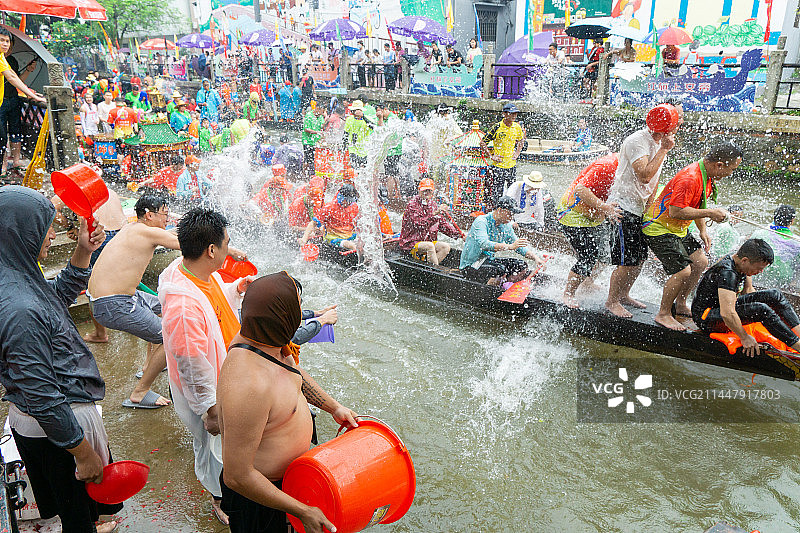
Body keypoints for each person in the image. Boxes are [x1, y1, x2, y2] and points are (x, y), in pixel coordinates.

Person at [0, 186, 120, 533]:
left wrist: (84, 251)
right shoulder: (20, 308)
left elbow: (55, 298)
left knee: (75, 505)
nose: (52, 234)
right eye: (45, 226)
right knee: (77, 513)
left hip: (55, 424)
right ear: (21, 232)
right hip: (58, 428)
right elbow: (41, 395)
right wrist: (81, 451)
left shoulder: (17, 275)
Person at [217, 272, 358, 533]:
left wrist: (333, 407)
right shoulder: (248, 384)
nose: (301, 313)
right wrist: (301, 510)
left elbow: (292, 373)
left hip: (293, 482)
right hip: (262, 499)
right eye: (298, 308)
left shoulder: (268, 341)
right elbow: (237, 476)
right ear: (283, 320)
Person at [159, 208, 253, 526]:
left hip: (225, 374)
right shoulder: (183, 308)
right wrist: (209, 409)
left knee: (225, 445)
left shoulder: (196, 273)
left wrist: (236, 289)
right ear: (212, 250)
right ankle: (218, 498)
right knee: (211, 447)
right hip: (209, 393)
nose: (229, 248)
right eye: (226, 242)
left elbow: (212, 306)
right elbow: (192, 364)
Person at [87, 193, 181, 409]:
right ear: (149, 215)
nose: (167, 220)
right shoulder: (146, 233)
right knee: (171, 339)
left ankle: (149, 365)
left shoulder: (133, 227)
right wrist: (228, 249)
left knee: (166, 305)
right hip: (113, 303)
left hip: (117, 298)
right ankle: (140, 392)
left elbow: (171, 234)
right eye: (164, 215)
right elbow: (188, 246)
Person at [642, 143, 742, 330]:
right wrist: (711, 213)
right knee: (683, 271)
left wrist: (703, 230)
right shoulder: (691, 177)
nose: (731, 173)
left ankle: (680, 303)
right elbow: (676, 211)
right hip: (658, 227)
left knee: (700, 262)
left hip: (677, 229)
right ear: (719, 165)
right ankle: (663, 313)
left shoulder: (707, 175)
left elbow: (697, 205)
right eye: (732, 169)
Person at [604, 102, 682, 318]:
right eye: (678, 120)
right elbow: (645, 174)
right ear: (668, 126)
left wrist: (649, 208)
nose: (681, 124)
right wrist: (665, 149)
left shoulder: (661, 142)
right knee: (626, 260)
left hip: (640, 208)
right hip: (623, 207)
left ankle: (624, 294)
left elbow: (654, 180)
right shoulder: (637, 141)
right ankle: (611, 301)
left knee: (639, 258)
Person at [692, 238, 800, 356]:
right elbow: (727, 313)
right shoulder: (728, 273)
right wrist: (744, 337)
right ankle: (797, 346)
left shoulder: (739, 263)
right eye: (759, 268)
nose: (761, 271)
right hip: (706, 317)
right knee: (762, 310)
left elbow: (749, 291)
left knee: (774, 295)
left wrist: (753, 312)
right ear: (745, 260)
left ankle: (799, 334)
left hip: (724, 307)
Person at [556, 153, 621, 308]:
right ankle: (568, 293)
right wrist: (606, 208)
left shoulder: (632, 169)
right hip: (572, 212)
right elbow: (580, 190)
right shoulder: (607, 165)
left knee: (607, 254)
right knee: (588, 256)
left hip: (595, 214)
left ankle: (587, 282)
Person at [460, 196, 545, 285]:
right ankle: (491, 291)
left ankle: (506, 287)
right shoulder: (481, 221)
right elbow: (484, 244)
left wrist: (536, 258)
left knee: (521, 265)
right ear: (500, 210)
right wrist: (510, 247)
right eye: (510, 214)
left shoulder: (506, 226)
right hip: (471, 265)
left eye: (513, 215)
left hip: (488, 260)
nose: (511, 218)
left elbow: (519, 247)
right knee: (499, 270)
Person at [399, 178, 462, 265]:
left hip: (427, 242)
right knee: (429, 246)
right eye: (424, 190)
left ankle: (429, 268)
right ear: (419, 190)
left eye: (429, 190)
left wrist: (459, 235)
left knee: (445, 247)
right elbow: (420, 224)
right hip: (410, 243)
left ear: (432, 192)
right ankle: (435, 272)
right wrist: (435, 214)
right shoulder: (412, 205)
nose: (426, 192)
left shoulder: (433, 205)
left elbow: (442, 224)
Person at [480, 103, 526, 209]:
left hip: (511, 165)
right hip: (498, 166)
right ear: (504, 114)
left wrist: (517, 153)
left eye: (515, 113)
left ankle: (510, 212)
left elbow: (521, 140)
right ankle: (497, 210)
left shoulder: (517, 127)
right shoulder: (497, 127)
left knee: (512, 190)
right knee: (497, 192)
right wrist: (491, 156)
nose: (514, 116)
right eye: (511, 113)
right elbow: (482, 143)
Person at [749, 205, 800, 289]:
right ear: (792, 221)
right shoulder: (797, 242)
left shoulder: (759, 234)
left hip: (759, 275)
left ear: (774, 217)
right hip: (783, 280)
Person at [301, 183, 360, 253]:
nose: (350, 203)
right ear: (342, 198)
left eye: (351, 201)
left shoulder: (354, 206)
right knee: (352, 245)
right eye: (348, 201)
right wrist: (304, 239)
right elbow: (313, 223)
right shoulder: (329, 208)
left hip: (350, 235)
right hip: (333, 238)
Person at [428, 104, 463, 184]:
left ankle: (443, 194)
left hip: (445, 154)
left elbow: (460, 135)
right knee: (434, 177)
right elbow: (427, 135)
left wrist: (450, 139)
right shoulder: (434, 121)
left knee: (445, 176)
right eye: (441, 113)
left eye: (445, 112)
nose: (444, 115)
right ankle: (435, 194)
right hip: (435, 153)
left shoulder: (451, 122)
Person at [344, 100, 372, 168]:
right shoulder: (349, 119)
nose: (354, 113)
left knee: (363, 171)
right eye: (352, 111)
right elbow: (346, 133)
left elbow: (373, 127)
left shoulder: (367, 119)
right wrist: (344, 147)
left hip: (364, 150)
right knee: (354, 169)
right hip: (352, 149)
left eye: (355, 110)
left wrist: (363, 117)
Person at [302, 102, 326, 176]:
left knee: (314, 159)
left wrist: (327, 120)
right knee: (307, 160)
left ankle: (313, 174)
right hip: (308, 141)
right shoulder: (309, 116)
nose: (322, 114)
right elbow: (306, 129)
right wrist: (316, 132)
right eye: (322, 112)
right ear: (317, 108)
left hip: (316, 142)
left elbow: (322, 127)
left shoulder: (320, 117)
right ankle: (304, 174)